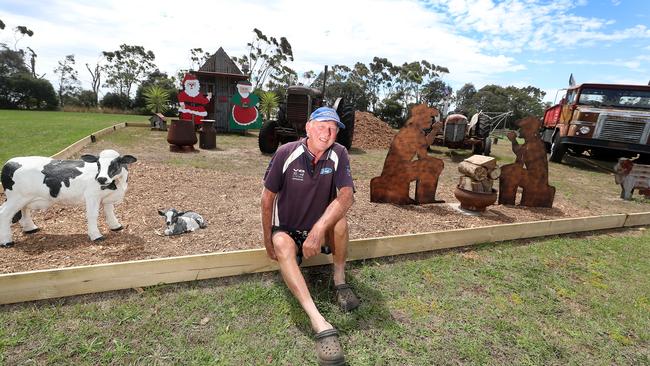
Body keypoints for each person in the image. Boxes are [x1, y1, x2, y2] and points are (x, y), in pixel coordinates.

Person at [261, 106, 357, 365]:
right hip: (289, 230)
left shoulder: (339, 154)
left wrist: (317, 231)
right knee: (281, 243)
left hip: (318, 229)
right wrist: (266, 237)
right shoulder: (285, 153)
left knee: (340, 223)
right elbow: (267, 198)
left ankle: (340, 282)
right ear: (308, 127)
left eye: (333, 128)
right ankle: (319, 322)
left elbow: (346, 196)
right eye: (322, 125)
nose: (327, 133)